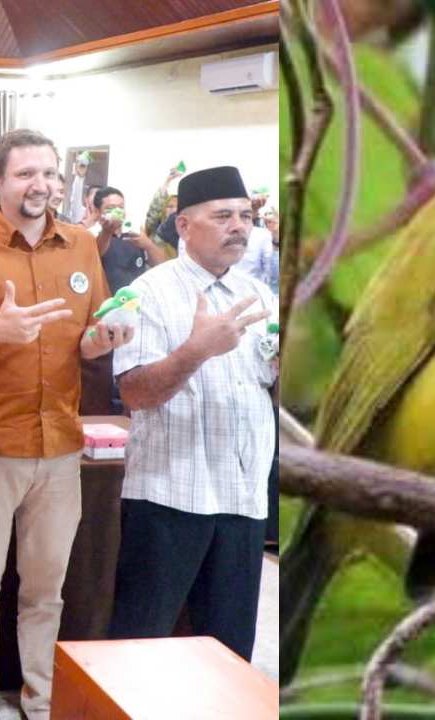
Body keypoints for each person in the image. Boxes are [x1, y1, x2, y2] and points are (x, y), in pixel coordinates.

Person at [0, 129, 133, 720]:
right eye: (25, 174)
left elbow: (88, 337)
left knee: (46, 589)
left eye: (48, 173)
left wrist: (104, 338)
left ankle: (39, 699)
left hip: (60, 446)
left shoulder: (81, 245)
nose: (39, 185)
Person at [107, 166, 276, 661]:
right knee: (140, 643)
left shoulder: (260, 295)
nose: (238, 226)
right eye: (222, 216)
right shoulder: (149, 292)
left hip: (242, 498)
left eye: (244, 216)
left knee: (228, 652)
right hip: (169, 497)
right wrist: (196, 350)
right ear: (183, 225)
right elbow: (135, 393)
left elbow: (269, 388)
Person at [89, 186, 169, 294]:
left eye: (121, 207)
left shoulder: (134, 231)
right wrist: (107, 232)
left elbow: (163, 265)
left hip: (135, 299)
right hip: (106, 300)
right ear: (97, 211)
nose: (117, 212)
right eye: (110, 208)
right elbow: (96, 255)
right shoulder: (91, 234)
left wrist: (148, 245)